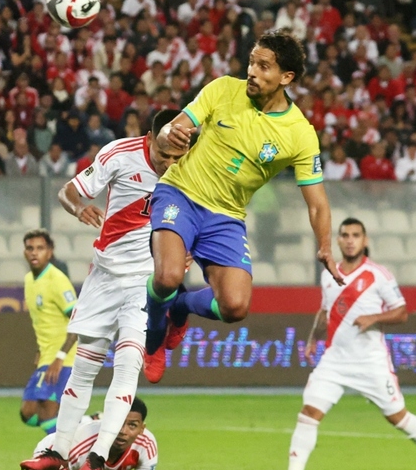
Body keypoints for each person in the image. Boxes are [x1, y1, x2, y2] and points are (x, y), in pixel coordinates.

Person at [143, 30, 340, 385]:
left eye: (264, 66)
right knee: (168, 276)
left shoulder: (299, 133)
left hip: (226, 217)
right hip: (181, 194)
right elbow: (172, 129)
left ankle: (180, 307)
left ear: (286, 77)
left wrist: (325, 245)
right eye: (251, 62)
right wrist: (167, 135)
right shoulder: (222, 90)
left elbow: (317, 203)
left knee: (235, 307)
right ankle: (153, 339)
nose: (252, 71)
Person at [20, 110, 186, 470]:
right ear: (150, 136)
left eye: (177, 155)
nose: (170, 162)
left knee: (128, 364)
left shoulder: (190, 162)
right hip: (104, 276)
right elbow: (69, 191)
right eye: (164, 153)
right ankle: (58, 454)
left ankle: (99, 455)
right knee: (84, 370)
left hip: (146, 281)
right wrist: (80, 208)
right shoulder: (119, 154)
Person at [269, 218, 416, 470]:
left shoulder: (379, 275)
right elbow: (325, 310)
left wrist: (373, 317)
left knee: (398, 417)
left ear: (365, 241)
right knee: (308, 414)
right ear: (338, 240)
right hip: (335, 360)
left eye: (356, 235)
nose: (350, 240)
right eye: (345, 235)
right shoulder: (328, 273)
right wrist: (313, 337)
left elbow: (401, 312)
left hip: (370, 361)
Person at [21, 229, 78, 436]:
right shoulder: (29, 280)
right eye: (30, 248)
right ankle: (88, 424)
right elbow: (44, 320)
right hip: (46, 355)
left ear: (50, 252)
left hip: (64, 356)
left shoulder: (57, 280)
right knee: (28, 412)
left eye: (40, 248)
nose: (34, 253)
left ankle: (60, 459)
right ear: (24, 252)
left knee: (47, 413)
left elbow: (77, 321)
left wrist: (60, 357)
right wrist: (40, 349)